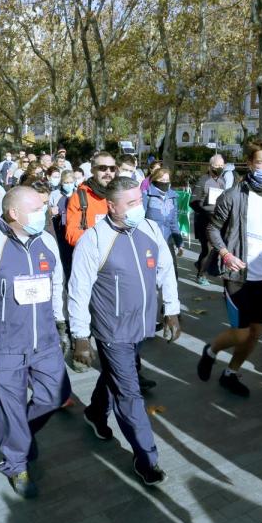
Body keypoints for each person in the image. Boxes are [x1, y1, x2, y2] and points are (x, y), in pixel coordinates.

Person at [0, 186, 72, 498]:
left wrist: (62, 326)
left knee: (55, 395)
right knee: (10, 409)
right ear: (14, 214)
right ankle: (16, 463)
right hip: (4, 346)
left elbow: (57, 284)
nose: (46, 212)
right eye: (37, 207)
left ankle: (20, 432)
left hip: (45, 341)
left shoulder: (47, 241)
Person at [69, 176, 182, 486]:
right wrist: (80, 337)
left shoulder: (149, 229)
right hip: (112, 330)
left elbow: (165, 270)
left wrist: (171, 309)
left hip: (142, 325)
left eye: (140, 201)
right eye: (131, 203)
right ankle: (147, 459)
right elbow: (78, 291)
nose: (138, 208)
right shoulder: (93, 240)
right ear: (112, 206)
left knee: (118, 376)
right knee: (129, 394)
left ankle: (94, 413)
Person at [198, 138, 262, 397]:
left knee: (256, 333)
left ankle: (231, 372)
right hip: (237, 273)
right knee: (241, 335)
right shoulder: (233, 195)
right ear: (250, 164)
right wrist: (225, 253)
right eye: (261, 162)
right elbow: (212, 228)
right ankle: (210, 351)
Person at [65, 151, 116, 247]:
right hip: (91, 253)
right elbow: (71, 235)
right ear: (92, 170)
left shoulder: (120, 194)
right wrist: (98, 239)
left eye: (112, 168)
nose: (108, 172)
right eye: (103, 168)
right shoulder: (79, 196)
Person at [191, 156, 228, 285]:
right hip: (203, 220)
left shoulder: (222, 180)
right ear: (210, 166)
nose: (220, 168)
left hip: (217, 221)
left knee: (214, 248)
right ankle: (200, 275)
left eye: (222, 166)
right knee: (208, 249)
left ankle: (203, 266)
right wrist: (206, 213)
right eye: (217, 166)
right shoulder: (203, 181)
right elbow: (193, 202)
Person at [142, 168, 183, 279]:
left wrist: (179, 243)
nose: (164, 182)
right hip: (150, 243)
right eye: (161, 179)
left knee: (172, 273)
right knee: (150, 273)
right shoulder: (146, 195)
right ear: (154, 179)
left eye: (167, 180)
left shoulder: (173, 197)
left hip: (167, 241)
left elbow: (174, 222)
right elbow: (141, 219)